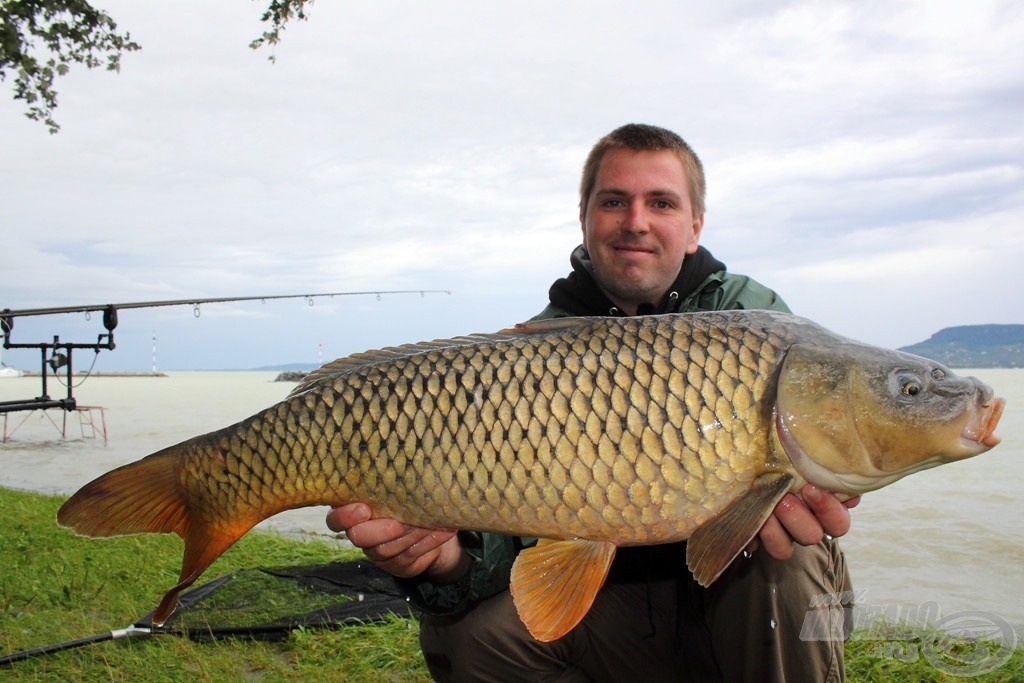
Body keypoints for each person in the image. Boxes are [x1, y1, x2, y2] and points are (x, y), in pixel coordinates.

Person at [326, 123, 860, 682]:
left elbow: (826, 477)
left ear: (694, 226)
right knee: (471, 634)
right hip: (611, 612)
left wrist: (828, 488)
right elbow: (504, 543)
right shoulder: (535, 350)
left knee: (783, 556)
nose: (636, 221)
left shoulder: (760, 326)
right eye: (613, 201)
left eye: (661, 202)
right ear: (584, 218)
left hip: (734, 606)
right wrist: (443, 562)